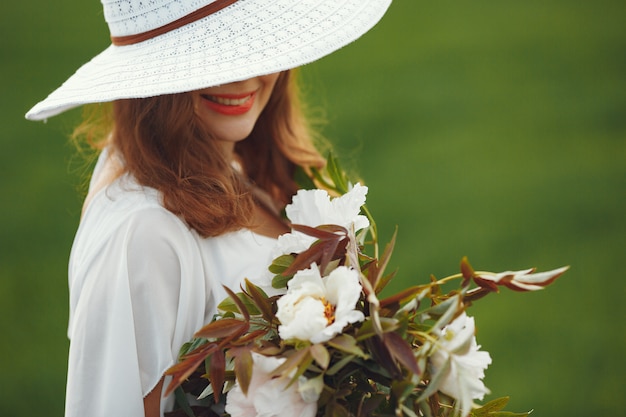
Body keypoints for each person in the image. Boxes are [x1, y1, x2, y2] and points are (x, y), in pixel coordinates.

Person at [26, 1, 392, 416]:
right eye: (215, 56)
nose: (243, 75)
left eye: (256, 41)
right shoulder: (146, 233)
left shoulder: (237, 164)